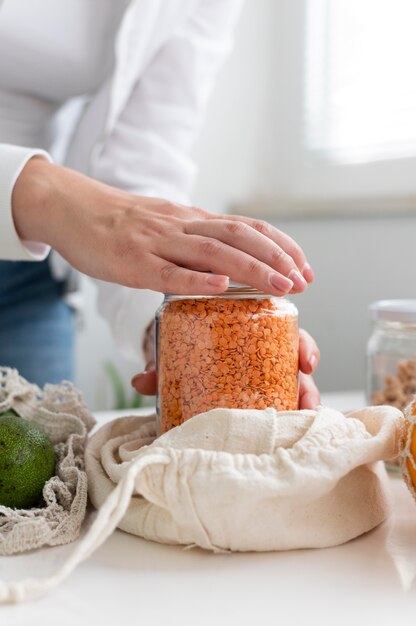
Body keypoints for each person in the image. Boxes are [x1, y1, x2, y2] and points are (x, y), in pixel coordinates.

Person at [0, 0, 320, 407]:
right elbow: (85, 208)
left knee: (40, 462)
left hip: (29, 266)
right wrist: (42, 193)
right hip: (38, 216)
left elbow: (139, 160)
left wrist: (186, 318)